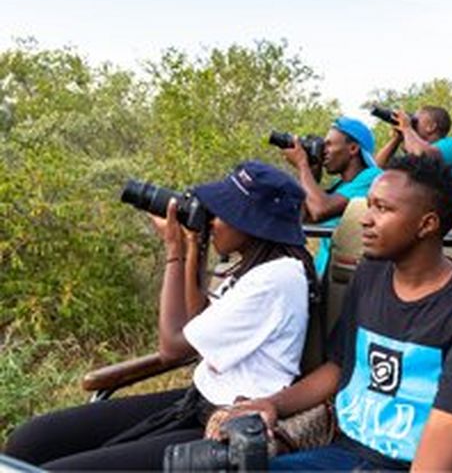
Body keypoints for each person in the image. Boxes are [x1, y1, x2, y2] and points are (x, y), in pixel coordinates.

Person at [212, 154, 452, 470]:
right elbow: (341, 365)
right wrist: (272, 404)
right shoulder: (370, 274)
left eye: (383, 209)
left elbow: (450, 423)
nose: (365, 219)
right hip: (348, 454)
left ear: (427, 224)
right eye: (369, 204)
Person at [5, 161, 315, 470]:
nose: (212, 219)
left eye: (221, 213)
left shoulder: (276, 279)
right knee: (30, 440)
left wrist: (173, 252)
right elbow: (197, 319)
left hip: (226, 426)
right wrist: (195, 245)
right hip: (198, 402)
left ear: (251, 223)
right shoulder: (254, 265)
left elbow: (172, 348)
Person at [282, 116, 381, 278]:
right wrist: (312, 170)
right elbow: (303, 217)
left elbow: (320, 210)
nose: (324, 151)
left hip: (347, 280)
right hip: (326, 276)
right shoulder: (340, 186)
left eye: (328, 145)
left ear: (353, 148)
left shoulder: (372, 178)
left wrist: (302, 165)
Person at [374, 105, 452, 214]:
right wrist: (397, 139)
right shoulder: (413, 148)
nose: (411, 123)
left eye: (415, 121)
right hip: (423, 212)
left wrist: (407, 128)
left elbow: (422, 157)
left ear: (431, 127)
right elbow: (377, 167)